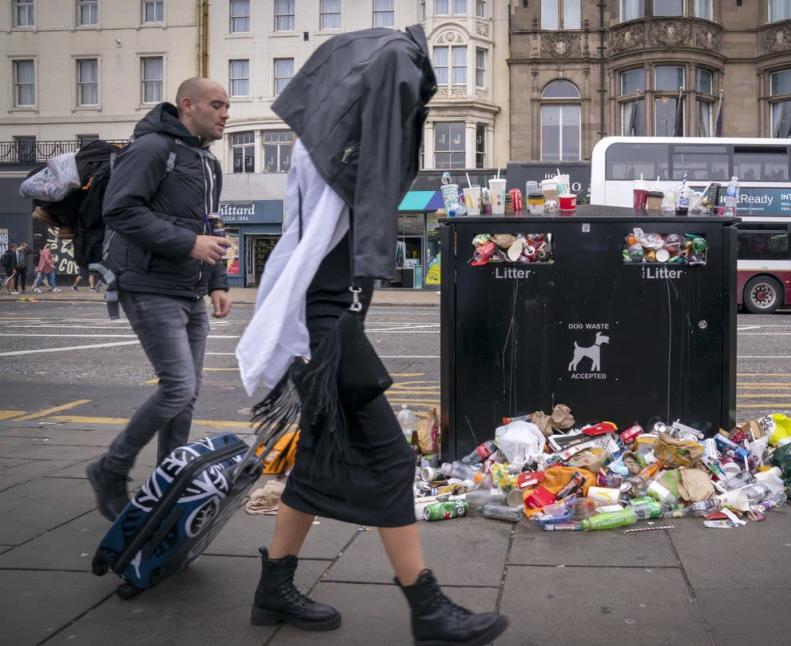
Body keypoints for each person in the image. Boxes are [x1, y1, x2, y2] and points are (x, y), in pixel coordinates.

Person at [236, 26, 508, 646]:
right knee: (387, 458)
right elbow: (381, 179)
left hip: (318, 321)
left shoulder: (320, 157)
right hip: (325, 327)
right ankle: (428, 608)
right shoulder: (359, 138)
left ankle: (273, 587)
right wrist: (358, 302)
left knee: (319, 457)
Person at [86, 78, 232, 521]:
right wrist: (189, 244)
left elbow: (211, 225)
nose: (226, 114)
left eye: (227, 106)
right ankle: (111, 467)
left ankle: (170, 483)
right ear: (187, 106)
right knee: (178, 388)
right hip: (148, 285)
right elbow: (121, 209)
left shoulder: (207, 162)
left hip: (189, 289)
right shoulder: (152, 148)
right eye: (217, 105)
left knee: (187, 397)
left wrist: (217, 282)